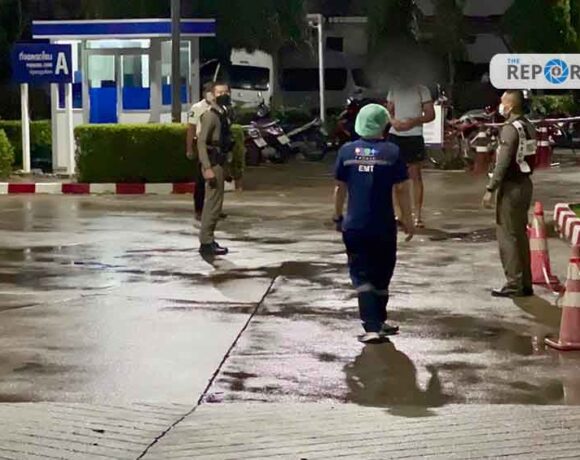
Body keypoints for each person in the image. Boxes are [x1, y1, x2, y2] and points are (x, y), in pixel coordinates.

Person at [333, 104, 414, 344]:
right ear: (384, 125)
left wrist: (337, 216)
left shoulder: (347, 152)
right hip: (383, 225)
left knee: (363, 275)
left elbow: (339, 188)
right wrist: (408, 219)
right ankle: (373, 325)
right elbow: (402, 189)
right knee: (381, 273)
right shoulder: (392, 152)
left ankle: (375, 323)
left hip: (355, 225)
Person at [483, 90, 536, 298]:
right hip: (525, 184)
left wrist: (490, 188)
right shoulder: (528, 126)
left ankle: (514, 283)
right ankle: (525, 282)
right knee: (520, 235)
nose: (500, 105)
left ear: (511, 105)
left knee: (507, 236)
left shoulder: (510, 129)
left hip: (511, 187)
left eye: (503, 101)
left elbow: (503, 162)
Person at [387, 82, 435, 228]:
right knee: (395, 177)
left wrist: (413, 121)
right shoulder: (394, 87)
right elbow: (388, 111)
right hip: (395, 135)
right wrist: (394, 122)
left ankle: (417, 216)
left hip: (414, 135)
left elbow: (430, 114)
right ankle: (399, 214)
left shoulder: (422, 89)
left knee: (415, 176)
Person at [197, 82, 234, 257]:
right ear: (212, 95)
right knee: (212, 205)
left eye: (226, 92)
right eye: (219, 92)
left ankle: (209, 239)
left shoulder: (223, 114)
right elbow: (201, 142)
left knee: (216, 205)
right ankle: (206, 242)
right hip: (213, 163)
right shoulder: (210, 116)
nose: (223, 95)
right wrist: (207, 167)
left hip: (220, 162)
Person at [186, 82, 214, 221]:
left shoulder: (218, 108)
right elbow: (191, 129)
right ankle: (199, 210)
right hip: (202, 145)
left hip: (216, 146)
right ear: (204, 93)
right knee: (201, 180)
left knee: (215, 180)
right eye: (209, 91)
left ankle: (213, 209)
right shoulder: (197, 108)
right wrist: (189, 148)